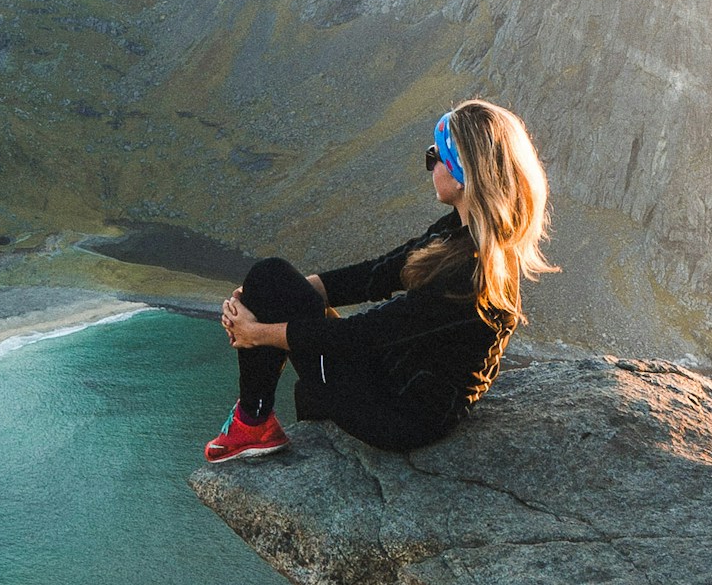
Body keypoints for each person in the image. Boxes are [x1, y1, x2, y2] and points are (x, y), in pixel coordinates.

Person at [203, 98, 554, 461]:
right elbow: (377, 274)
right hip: (393, 377)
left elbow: (358, 337)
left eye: (434, 157)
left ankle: (253, 424)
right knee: (269, 277)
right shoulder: (459, 234)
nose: (429, 166)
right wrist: (271, 296)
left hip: (400, 417)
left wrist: (255, 332)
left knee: (275, 291)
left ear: (463, 174)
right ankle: (256, 420)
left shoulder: (468, 276)